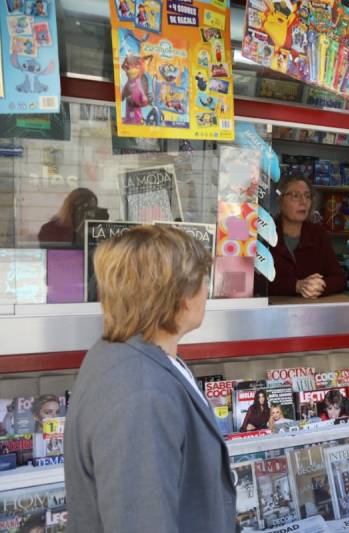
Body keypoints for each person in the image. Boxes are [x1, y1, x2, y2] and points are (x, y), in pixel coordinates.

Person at [64, 225, 235, 532]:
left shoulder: (129, 358)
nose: (207, 290)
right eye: (202, 280)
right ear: (181, 295)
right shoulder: (140, 391)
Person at [259, 176, 346, 299]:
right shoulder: (265, 234)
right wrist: (296, 286)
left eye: (307, 196)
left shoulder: (318, 235)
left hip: (311, 312)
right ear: (280, 201)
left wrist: (318, 286)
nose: (303, 202)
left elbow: (339, 278)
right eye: (295, 195)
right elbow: (257, 282)